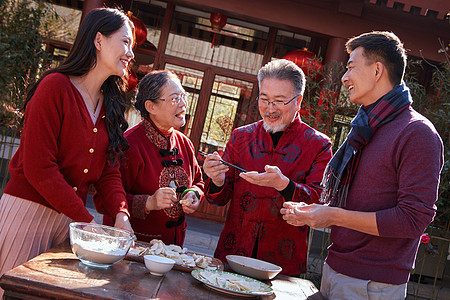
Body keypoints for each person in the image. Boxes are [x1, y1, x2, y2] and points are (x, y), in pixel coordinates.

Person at [281, 31, 444, 299]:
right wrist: (321, 211)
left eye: (351, 68)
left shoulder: (417, 133)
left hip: (373, 283)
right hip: (336, 270)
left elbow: (413, 220)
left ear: (377, 70)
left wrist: (333, 215)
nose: (344, 78)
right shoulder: (365, 127)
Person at [0, 8, 135, 294]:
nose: (131, 53)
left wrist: (121, 215)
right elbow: (39, 168)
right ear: (98, 40)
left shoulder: (110, 103)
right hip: (27, 216)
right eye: (125, 42)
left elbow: (108, 172)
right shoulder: (54, 88)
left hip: (70, 225)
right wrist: (86, 220)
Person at [202, 59, 332, 276]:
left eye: (279, 101)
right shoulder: (241, 137)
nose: (270, 109)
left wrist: (285, 186)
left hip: (282, 259)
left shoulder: (318, 144)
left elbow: (320, 200)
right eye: (264, 99)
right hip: (233, 251)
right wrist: (217, 180)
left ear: (298, 100)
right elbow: (219, 199)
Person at [97, 70, 204, 246]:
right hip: (133, 248)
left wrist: (193, 194)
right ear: (151, 107)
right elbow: (104, 199)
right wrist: (149, 202)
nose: (183, 104)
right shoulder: (130, 144)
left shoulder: (184, 143)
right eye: (174, 98)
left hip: (172, 251)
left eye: (183, 96)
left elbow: (199, 182)